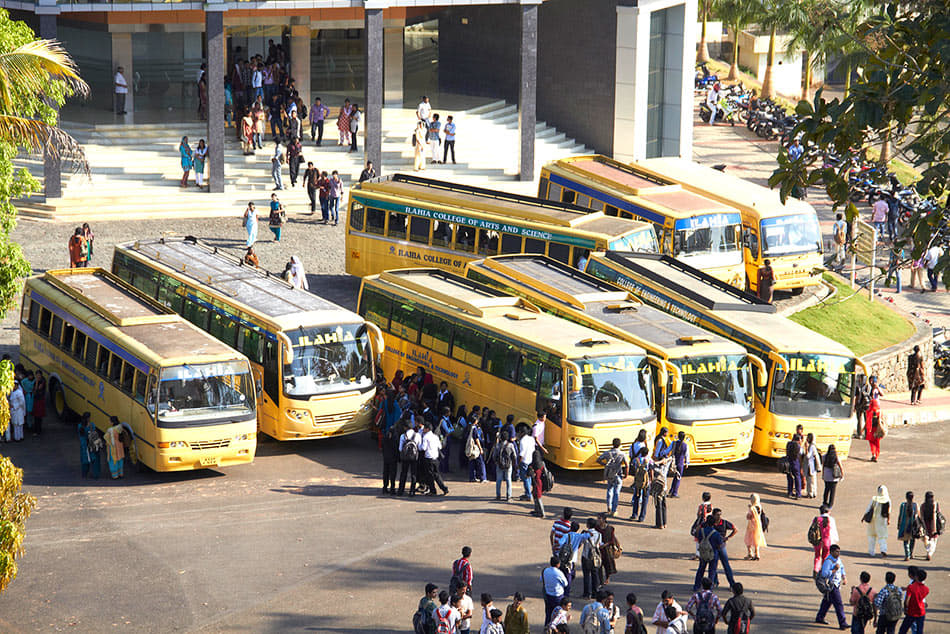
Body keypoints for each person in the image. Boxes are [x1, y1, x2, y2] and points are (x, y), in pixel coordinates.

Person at [816, 544, 849, 630]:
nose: (838, 553)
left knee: (827, 601)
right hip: (831, 585)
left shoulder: (838, 560)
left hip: (836, 584)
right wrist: (834, 570)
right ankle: (842, 623)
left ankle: (820, 617)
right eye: (836, 552)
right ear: (831, 552)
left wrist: (844, 577)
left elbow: (842, 568)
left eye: (839, 552)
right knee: (839, 604)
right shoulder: (828, 561)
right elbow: (824, 574)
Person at [597, 437, 628, 517]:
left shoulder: (607, 453)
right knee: (616, 493)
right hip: (618, 474)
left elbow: (598, 460)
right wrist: (626, 474)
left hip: (609, 475)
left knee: (609, 490)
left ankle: (609, 507)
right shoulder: (622, 454)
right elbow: (627, 465)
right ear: (619, 445)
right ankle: (614, 510)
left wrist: (605, 465)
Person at [897, 566, 928, 634]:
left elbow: (906, 601)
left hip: (912, 611)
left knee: (903, 629)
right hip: (921, 612)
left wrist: (905, 609)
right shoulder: (926, 589)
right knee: (919, 630)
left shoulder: (911, 587)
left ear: (916, 577)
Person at [421, 422, 449, 496]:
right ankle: (444, 488)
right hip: (436, 458)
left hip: (429, 458)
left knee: (429, 475)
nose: (423, 430)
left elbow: (423, 448)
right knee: (437, 475)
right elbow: (440, 446)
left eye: (424, 428)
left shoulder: (425, 437)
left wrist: (419, 446)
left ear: (427, 429)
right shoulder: (435, 437)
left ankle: (433, 490)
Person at [812, 505, 840, 576]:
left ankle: (816, 569)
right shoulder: (831, 519)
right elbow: (833, 531)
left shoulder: (816, 519)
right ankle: (823, 570)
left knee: (817, 555)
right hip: (827, 541)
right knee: (825, 556)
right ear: (828, 512)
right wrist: (835, 540)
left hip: (817, 540)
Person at [864, 484, 891, 557]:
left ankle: (871, 551)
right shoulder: (888, 500)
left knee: (871, 536)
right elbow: (889, 512)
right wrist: (888, 520)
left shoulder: (874, 499)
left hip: (873, 520)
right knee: (882, 536)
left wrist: (864, 517)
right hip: (882, 520)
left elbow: (869, 508)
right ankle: (883, 550)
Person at [580, 518, 604, 599]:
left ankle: (587, 593)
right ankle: (595, 592)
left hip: (586, 556)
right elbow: (600, 544)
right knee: (595, 575)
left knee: (586, 575)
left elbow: (581, 543)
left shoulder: (585, 534)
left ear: (588, 525)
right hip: (595, 557)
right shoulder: (599, 534)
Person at [541, 557, 569, 625]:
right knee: (558, 615)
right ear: (558, 564)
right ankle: (556, 627)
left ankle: (547, 627)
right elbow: (565, 583)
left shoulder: (545, 570)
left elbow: (541, 579)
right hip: (558, 596)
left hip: (548, 595)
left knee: (548, 613)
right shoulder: (559, 573)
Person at [490, 430, 516, 501]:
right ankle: (509, 496)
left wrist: (497, 462)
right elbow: (514, 455)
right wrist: (513, 463)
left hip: (499, 465)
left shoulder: (497, 445)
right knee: (508, 480)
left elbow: (494, 456)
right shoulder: (510, 445)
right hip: (508, 465)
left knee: (499, 480)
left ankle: (498, 495)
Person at [397, 420, 420, 496]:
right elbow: (420, 447)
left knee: (403, 473)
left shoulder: (403, 436)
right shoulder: (417, 435)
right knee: (413, 474)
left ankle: (400, 491)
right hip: (414, 457)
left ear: (405, 427)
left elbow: (400, 448)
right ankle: (412, 491)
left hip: (405, 457)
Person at [596, 513, 620, 585]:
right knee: (599, 565)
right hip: (599, 549)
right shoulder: (596, 528)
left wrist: (605, 545)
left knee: (608, 565)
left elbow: (612, 540)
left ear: (604, 520)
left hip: (607, 550)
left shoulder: (610, 528)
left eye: (599, 518)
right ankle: (600, 580)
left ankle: (607, 578)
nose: (597, 520)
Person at [630, 446, 652, 522]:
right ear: (647, 453)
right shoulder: (649, 460)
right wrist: (651, 480)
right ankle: (642, 517)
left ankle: (634, 514)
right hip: (646, 482)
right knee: (645, 499)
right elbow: (651, 470)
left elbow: (633, 468)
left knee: (636, 497)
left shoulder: (636, 460)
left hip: (638, 482)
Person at [865, 376, 884, 461]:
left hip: (875, 425)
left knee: (874, 440)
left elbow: (882, 394)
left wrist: (877, 388)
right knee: (874, 440)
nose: (872, 382)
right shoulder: (868, 388)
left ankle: (875, 454)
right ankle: (874, 454)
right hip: (873, 425)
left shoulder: (875, 411)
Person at [78, 412, 102, 479]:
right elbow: (94, 435)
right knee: (95, 460)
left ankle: (84, 474)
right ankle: (96, 475)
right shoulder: (92, 425)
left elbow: (81, 437)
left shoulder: (80, 426)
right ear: (89, 418)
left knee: (85, 460)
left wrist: (84, 445)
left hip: (84, 445)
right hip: (92, 445)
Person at [744, 493, 767, 561]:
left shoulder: (752, 508)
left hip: (751, 525)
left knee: (748, 539)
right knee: (756, 539)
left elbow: (748, 517)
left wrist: (749, 509)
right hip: (758, 525)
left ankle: (750, 553)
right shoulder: (759, 506)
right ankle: (757, 554)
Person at [897, 491, 919, 561]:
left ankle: (907, 555)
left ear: (906, 497)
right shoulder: (915, 505)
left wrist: (898, 524)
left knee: (905, 541)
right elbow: (917, 516)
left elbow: (900, 516)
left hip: (904, 526)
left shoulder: (903, 505)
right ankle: (911, 553)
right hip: (913, 526)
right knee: (912, 540)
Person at [668, 431, 689, 498]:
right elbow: (687, 455)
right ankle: (675, 492)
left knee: (675, 477)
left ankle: (671, 490)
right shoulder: (685, 445)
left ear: (678, 436)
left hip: (673, 463)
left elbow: (668, 450)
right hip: (680, 464)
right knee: (678, 478)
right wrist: (687, 463)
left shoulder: (674, 443)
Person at [919, 491, 939, 561]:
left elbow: (921, 517)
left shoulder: (923, 506)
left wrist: (923, 526)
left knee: (926, 539)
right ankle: (929, 553)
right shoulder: (935, 504)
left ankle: (928, 551)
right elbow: (936, 515)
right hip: (933, 523)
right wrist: (935, 527)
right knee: (934, 540)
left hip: (926, 523)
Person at [822, 444, 844, 508]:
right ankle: (830, 505)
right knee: (832, 491)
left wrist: (823, 474)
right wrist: (842, 475)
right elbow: (841, 467)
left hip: (826, 475)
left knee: (826, 489)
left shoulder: (824, 456)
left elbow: (823, 466)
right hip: (834, 476)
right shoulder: (836, 457)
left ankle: (824, 502)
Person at [803, 433, 821, 498]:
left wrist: (806, 448)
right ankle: (814, 492)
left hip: (810, 466)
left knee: (810, 480)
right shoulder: (813, 446)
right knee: (813, 480)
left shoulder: (811, 446)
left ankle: (810, 493)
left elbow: (808, 456)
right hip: (812, 466)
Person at [786, 433, 803, 498]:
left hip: (788, 463)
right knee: (797, 478)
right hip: (795, 463)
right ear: (798, 440)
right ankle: (798, 494)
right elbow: (801, 453)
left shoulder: (788, 444)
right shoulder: (798, 446)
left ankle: (790, 492)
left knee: (789, 477)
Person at [31, 369, 46, 437]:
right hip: (36, 400)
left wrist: (37, 382)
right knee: (36, 416)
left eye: (39, 375)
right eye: (37, 375)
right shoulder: (36, 382)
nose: (38, 376)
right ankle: (37, 430)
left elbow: (37, 389)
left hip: (40, 400)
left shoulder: (42, 382)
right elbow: (34, 391)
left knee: (39, 416)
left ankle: (38, 430)